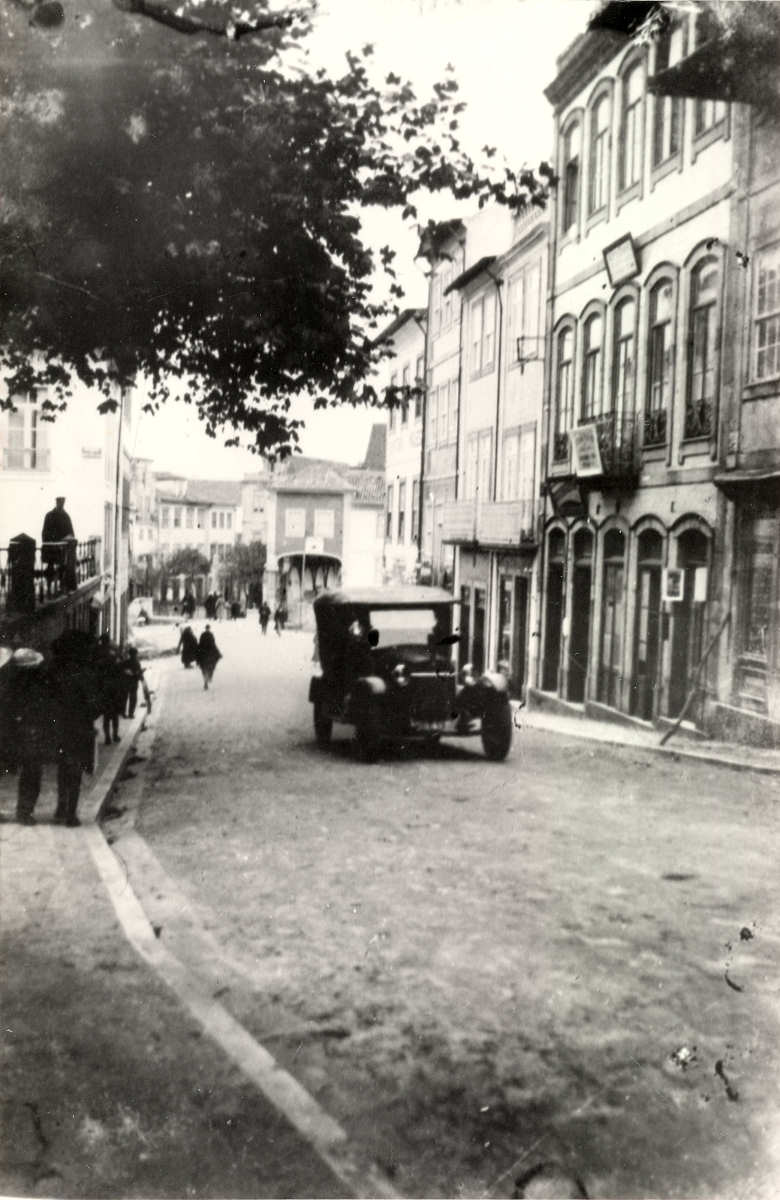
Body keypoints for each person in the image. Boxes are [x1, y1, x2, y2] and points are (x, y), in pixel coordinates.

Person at [41, 497, 76, 589]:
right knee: (51, 568)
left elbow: (71, 533)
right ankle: (51, 586)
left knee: (61, 567)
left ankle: (60, 585)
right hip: (51, 548)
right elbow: (45, 533)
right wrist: (50, 542)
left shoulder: (65, 516)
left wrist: (64, 540)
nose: (61, 504)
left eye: (62, 502)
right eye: (60, 502)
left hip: (60, 548)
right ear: (56, 502)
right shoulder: (50, 515)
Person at [96, 633, 125, 745]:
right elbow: (120, 667)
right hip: (114, 686)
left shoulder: (98, 652)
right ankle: (115, 735)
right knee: (115, 714)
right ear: (108, 641)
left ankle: (107, 737)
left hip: (103, 687)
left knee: (106, 715)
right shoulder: (114, 652)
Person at [121, 645, 146, 718]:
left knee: (124, 698)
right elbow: (138, 673)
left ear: (129, 654)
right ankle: (131, 714)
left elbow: (122, 670)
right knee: (133, 698)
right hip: (134, 682)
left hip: (125, 682)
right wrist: (142, 677)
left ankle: (123, 713)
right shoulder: (137, 662)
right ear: (135, 654)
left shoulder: (125, 662)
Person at [197, 624, 221, 690]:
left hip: (203, 654)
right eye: (208, 628)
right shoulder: (210, 635)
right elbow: (213, 644)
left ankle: (206, 681)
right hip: (209, 654)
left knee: (204, 669)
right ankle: (208, 679)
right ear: (208, 628)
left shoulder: (203, 634)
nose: (208, 629)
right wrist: (218, 652)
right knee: (210, 667)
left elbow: (200, 644)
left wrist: (198, 652)